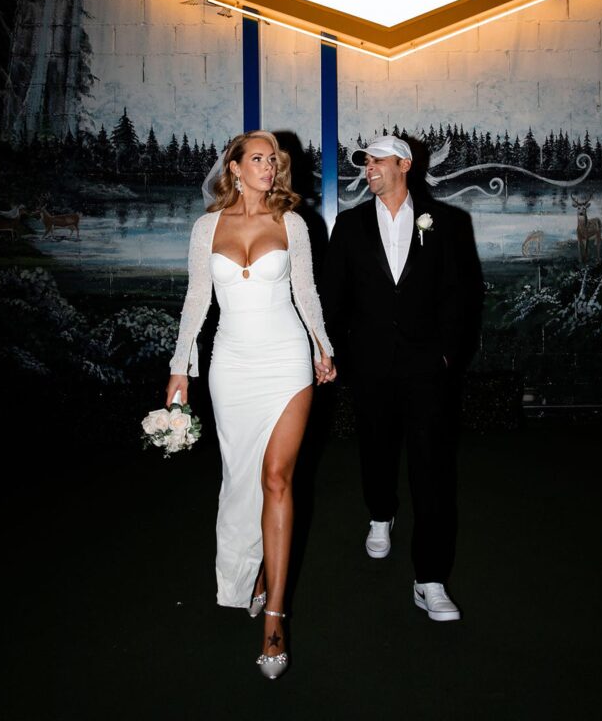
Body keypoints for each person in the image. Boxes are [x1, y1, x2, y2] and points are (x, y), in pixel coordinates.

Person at [167, 130, 335, 679]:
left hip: (286, 361)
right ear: (234, 167)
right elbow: (196, 299)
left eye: (274, 159)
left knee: (276, 478)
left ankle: (276, 618)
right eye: (258, 158)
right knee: (241, 479)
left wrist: (322, 346)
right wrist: (179, 369)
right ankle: (255, 575)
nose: (269, 165)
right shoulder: (205, 228)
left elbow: (306, 292)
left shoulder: (292, 224)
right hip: (230, 366)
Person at [322, 136, 483, 621]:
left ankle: (430, 579)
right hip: (369, 364)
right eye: (365, 162)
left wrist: (449, 357)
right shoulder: (349, 226)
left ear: (404, 165)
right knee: (375, 447)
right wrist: (333, 351)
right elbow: (332, 296)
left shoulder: (449, 223)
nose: (368, 168)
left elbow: (463, 293)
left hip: (426, 368)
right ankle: (380, 512)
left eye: (376, 160)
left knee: (433, 468)